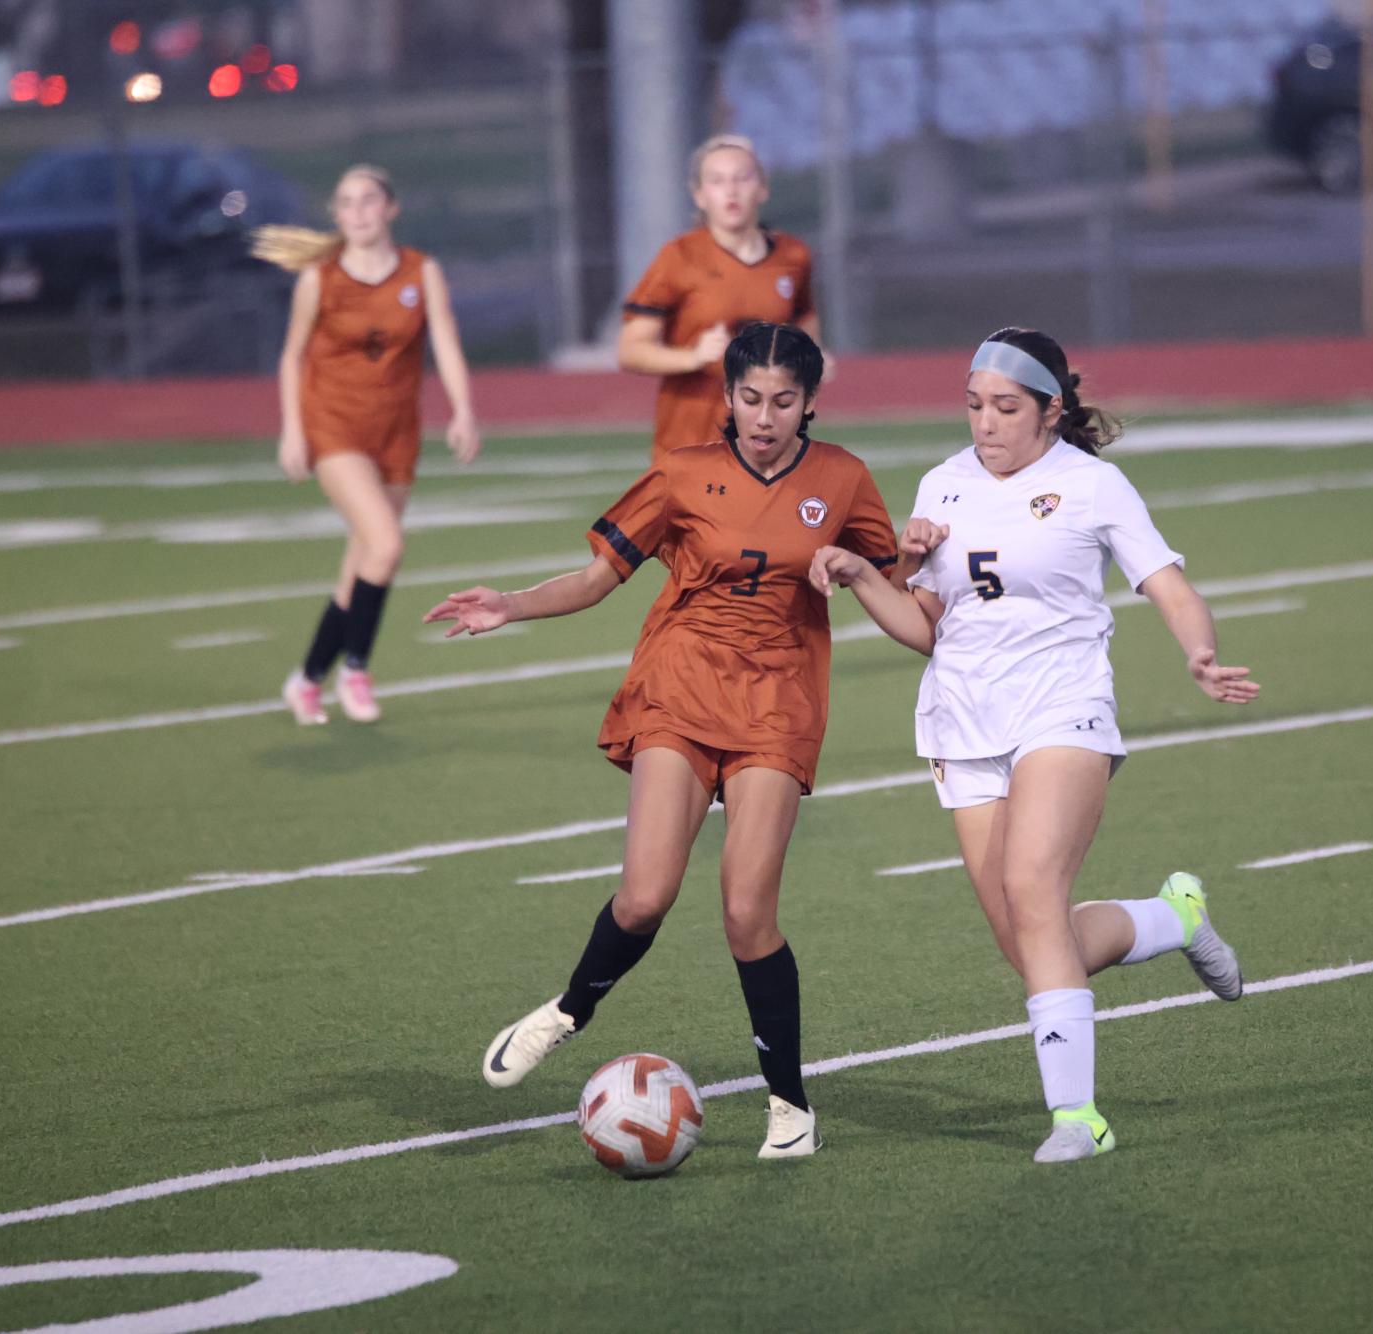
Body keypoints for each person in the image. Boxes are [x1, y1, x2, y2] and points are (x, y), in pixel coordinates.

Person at [425, 322, 901, 1160]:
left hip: (778, 699)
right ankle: (569, 1010)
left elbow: (893, 582)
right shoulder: (682, 473)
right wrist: (511, 602)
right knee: (644, 897)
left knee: (748, 913)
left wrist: (888, 561)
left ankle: (789, 1107)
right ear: (726, 398)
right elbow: (595, 578)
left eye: (783, 401)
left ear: (810, 403)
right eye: (749, 398)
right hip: (680, 685)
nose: (764, 417)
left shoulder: (844, 479)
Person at [808, 327, 1262, 1165]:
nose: (985, 423)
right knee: (1027, 940)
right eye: (975, 405)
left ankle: (1075, 1118)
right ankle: (1174, 918)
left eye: (1006, 408)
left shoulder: (1093, 486)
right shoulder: (941, 486)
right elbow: (925, 628)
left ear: (1051, 411)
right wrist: (869, 574)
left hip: (1063, 707)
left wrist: (1197, 650)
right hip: (961, 720)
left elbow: (1168, 585)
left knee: (1032, 887)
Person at [256, 164, 481, 727]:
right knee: (385, 546)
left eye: (368, 201)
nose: (357, 212)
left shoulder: (419, 272)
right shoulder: (320, 279)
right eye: (346, 203)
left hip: (396, 433)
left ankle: (307, 679)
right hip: (335, 427)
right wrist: (291, 429)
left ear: (390, 209)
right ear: (337, 215)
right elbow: (291, 356)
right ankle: (356, 667)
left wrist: (463, 410)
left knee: (359, 568)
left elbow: (446, 345)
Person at [617, 134, 818, 457]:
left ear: (763, 188)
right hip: (691, 442)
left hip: (769, 444)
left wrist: (809, 363)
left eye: (742, 177)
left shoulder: (793, 256)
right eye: (717, 180)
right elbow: (630, 350)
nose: (732, 190)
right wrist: (692, 357)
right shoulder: (679, 257)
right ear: (699, 195)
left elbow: (804, 317)